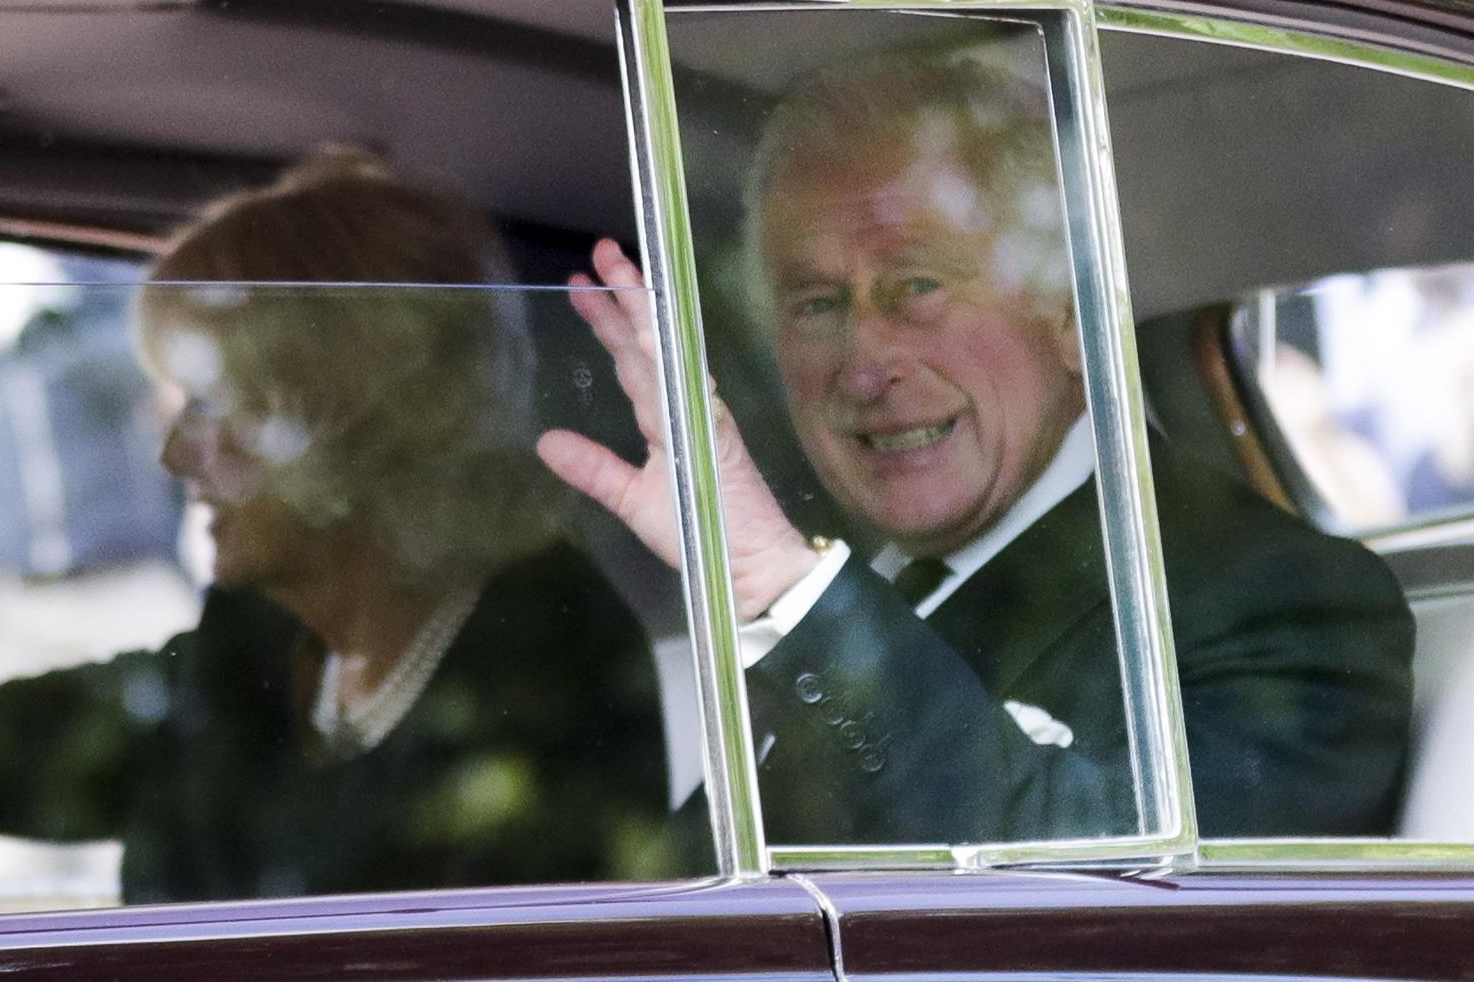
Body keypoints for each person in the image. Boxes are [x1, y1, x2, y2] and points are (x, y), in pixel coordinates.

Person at [0, 146, 685, 901]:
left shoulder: (542, 669)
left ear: (348, 413)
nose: (176, 458)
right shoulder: (261, 651)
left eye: (214, 407)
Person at [540, 55, 1415, 844]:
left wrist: (777, 578)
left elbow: (1119, 921)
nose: (864, 365)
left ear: (1072, 315)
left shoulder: (1281, 602)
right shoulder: (849, 601)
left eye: (918, 286)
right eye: (815, 304)